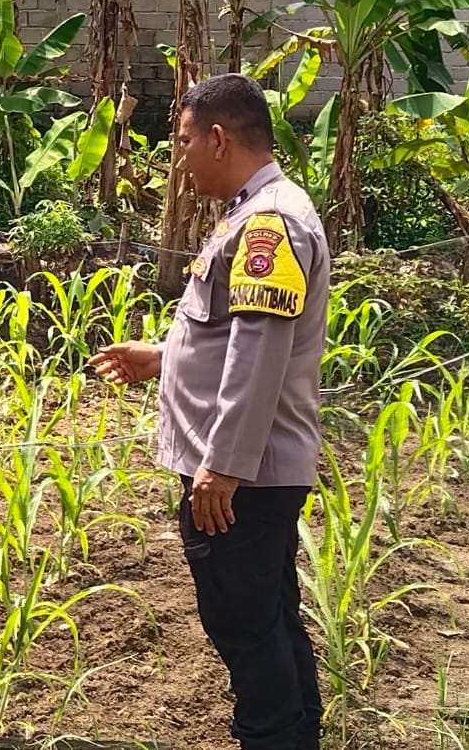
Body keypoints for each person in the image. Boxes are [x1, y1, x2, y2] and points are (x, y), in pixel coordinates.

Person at [90, 74, 329, 750]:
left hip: (241, 482)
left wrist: (220, 467)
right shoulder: (257, 210)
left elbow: (257, 353)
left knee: (248, 630)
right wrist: (165, 354)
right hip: (251, 476)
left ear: (219, 138)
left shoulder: (269, 224)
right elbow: (234, 332)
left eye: (186, 141)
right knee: (269, 620)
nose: (181, 156)